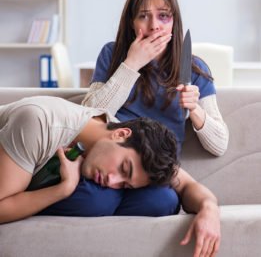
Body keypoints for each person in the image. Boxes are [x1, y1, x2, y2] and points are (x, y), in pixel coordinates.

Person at [0, 95, 220, 256]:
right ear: (120, 134)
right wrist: (63, 189)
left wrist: (209, 209)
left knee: (163, 198)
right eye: (124, 170)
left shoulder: (126, 145)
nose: (113, 182)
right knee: (94, 198)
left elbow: (187, 184)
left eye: (125, 184)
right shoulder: (38, 123)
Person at [81, 0, 229, 157]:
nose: (154, 26)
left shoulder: (194, 68)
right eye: (143, 16)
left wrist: (195, 109)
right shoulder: (112, 54)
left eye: (163, 16)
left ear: (174, 21)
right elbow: (87, 117)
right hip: (112, 158)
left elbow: (220, 145)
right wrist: (131, 64)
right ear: (131, 23)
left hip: (158, 168)